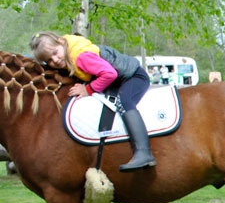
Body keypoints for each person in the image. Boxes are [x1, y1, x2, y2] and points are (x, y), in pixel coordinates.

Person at [30, 31, 157, 172]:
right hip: (120, 79)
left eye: (55, 53)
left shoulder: (80, 57)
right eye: (49, 60)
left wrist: (88, 90)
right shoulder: (69, 54)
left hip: (134, 76)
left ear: (60, 42)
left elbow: (110, 74)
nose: (55, 60)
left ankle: (144, 152)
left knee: (124, 102)